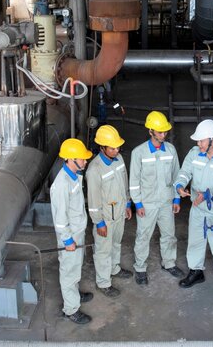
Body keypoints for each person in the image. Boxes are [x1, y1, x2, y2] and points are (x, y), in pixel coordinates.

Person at [174, 119, 213, 299]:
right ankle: (196, 271)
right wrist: (180, 185)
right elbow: (185, 172)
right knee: (195, 241)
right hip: (197, 208)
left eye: (201, 140)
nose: (198, 144)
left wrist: (209, 194)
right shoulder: (194, 154)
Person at [129, 111, 184, 285]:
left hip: (166, 202)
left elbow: (177, 176)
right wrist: (137, 203)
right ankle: (140, 268)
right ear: (150, 131)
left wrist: (176, 199)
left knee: (169, 235)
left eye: (165, 131)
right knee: (143, 236)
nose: (163, 134)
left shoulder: (171, 150)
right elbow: (134, 182)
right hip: (147, 203)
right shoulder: (139, 153)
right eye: (160, 132)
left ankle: (169, 263)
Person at [85, 125, 133, 297]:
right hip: (105, 218)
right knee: (103, 250)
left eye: (117, 146)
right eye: (112, 148)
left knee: (116, 243)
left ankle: (114, 269)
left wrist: (128, 204)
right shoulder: (94, 170)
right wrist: (99, 222)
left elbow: (124, 182)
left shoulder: (119, 159)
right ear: (102, 148)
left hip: (119, 213)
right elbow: (93, 200)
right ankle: (104, 282)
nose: (116, 150)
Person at [50, 138, 94, 324]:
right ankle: (71, 309)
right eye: (82, 159)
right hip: (70, 236)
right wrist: (67, 240)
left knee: (76, 266)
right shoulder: (61, 184)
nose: (85, 161)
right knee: (68, 271)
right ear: (71, 159)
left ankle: (73, 295)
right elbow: (59, 220)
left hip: (77, 232)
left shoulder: (74, 176)